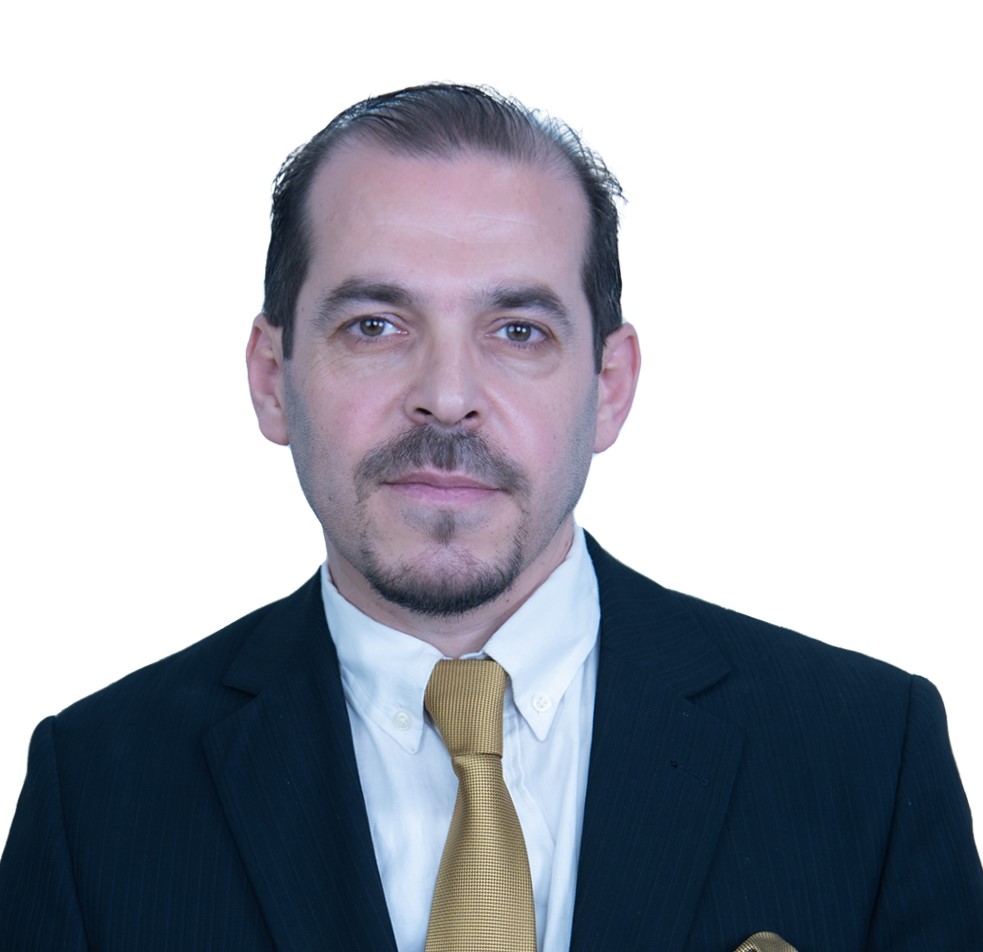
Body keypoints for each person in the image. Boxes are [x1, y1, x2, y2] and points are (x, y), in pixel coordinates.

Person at [0, 83, 980, 952]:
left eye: (517, 330)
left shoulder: (866, 756)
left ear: (608, 385)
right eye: (374, 325)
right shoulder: (95, 794)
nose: (447, 396)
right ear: (271, 377)